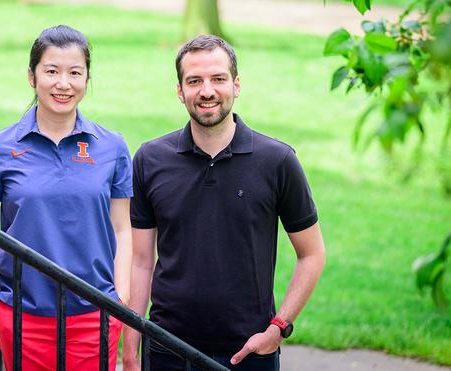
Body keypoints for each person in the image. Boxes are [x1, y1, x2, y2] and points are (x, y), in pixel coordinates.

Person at [122, 35, 326, 371]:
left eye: (218, 79)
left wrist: (278, 329)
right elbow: (141, 261)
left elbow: (312, 253)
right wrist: (131, 347)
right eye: (194, 81)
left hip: (249, 352)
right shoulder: (150, 159)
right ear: (179, 90)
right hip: (166, 350)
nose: (207, 91)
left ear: (236, 84)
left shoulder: (276, 161)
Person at [0, 25, 133, 371]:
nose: (64, 84)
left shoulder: (112, 147)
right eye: (52, 71)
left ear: (87, 79)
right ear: (31, 76)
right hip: (23, 314)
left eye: (75, 73)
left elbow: (123, 229)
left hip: (96, 313)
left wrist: (120, 297)